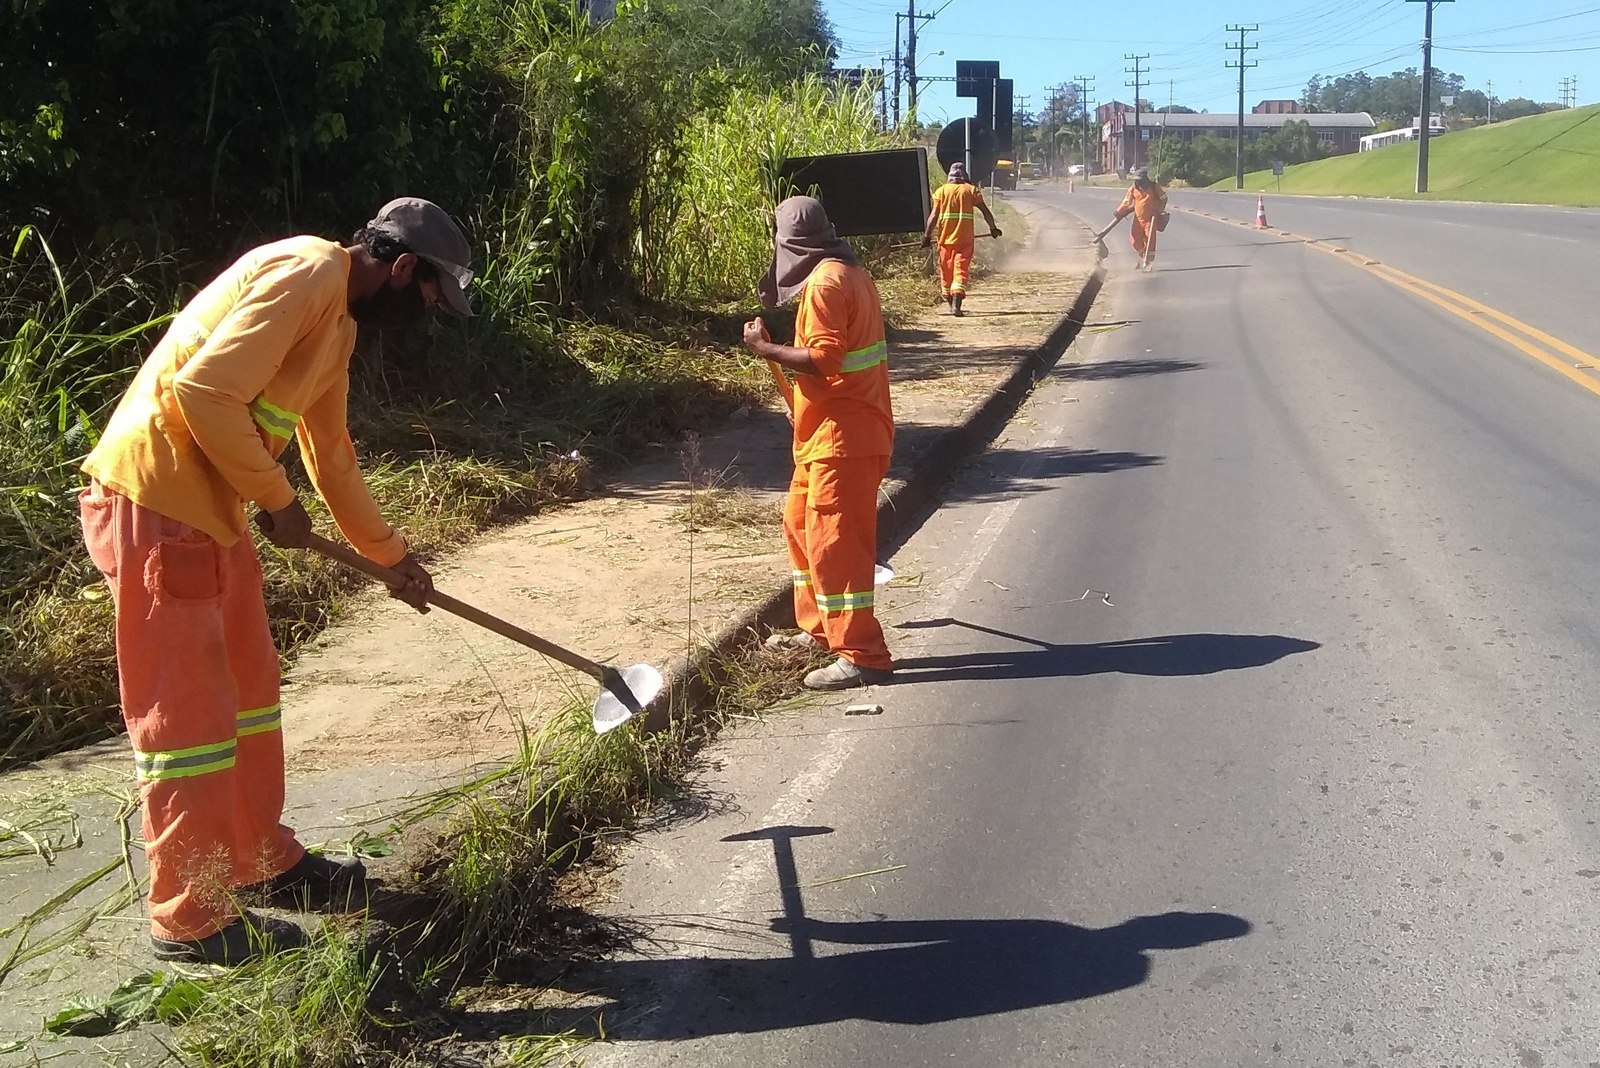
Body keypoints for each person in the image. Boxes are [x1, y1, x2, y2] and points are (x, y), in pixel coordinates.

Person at [78, 197, 475, 965]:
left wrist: (391, 556)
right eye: (430, 295)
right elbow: (202, 392)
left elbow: (332, 455)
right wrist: (277, 500)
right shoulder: (307, 271)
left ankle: (261, 857)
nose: (426, 312)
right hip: (158, 506)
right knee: (187, 726)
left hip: (212, 515)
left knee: (251, 695)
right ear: (401, 268)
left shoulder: (339, 324)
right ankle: (189, 915)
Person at [744, 196, 895, 691]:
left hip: (843, 441)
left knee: (837, 548)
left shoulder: (828, 283)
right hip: (827, 434)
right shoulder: (846, 272)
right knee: (800, 527)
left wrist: (765, 348)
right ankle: (820, 630)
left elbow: (825, 359)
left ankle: (862, 654)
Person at [922, 162, 1001, 316]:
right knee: (961, 270)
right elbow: (985, 212)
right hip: (965, 241)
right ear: (964, 175)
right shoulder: (971, 190)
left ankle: (951, 305)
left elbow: (933, 216)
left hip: (945, 241)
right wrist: (993, 228)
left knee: (946, 272)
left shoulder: (941, 192)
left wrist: (926, 236)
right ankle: (956, 307)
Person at [1112, 166, 1169, 269]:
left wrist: (1159, 211)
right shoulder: (1133, 189)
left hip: (1150, 219)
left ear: (1145, 179)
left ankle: (1149, 262)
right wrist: (1119, 211)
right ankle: (1143, 257)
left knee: (1150, 241)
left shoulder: (1154, 187)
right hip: (1138, 220)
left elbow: (1164, 198)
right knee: (1134, 239)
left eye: (1140, 180)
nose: (1138, 182)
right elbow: (1127, 201)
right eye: (1136, 180)